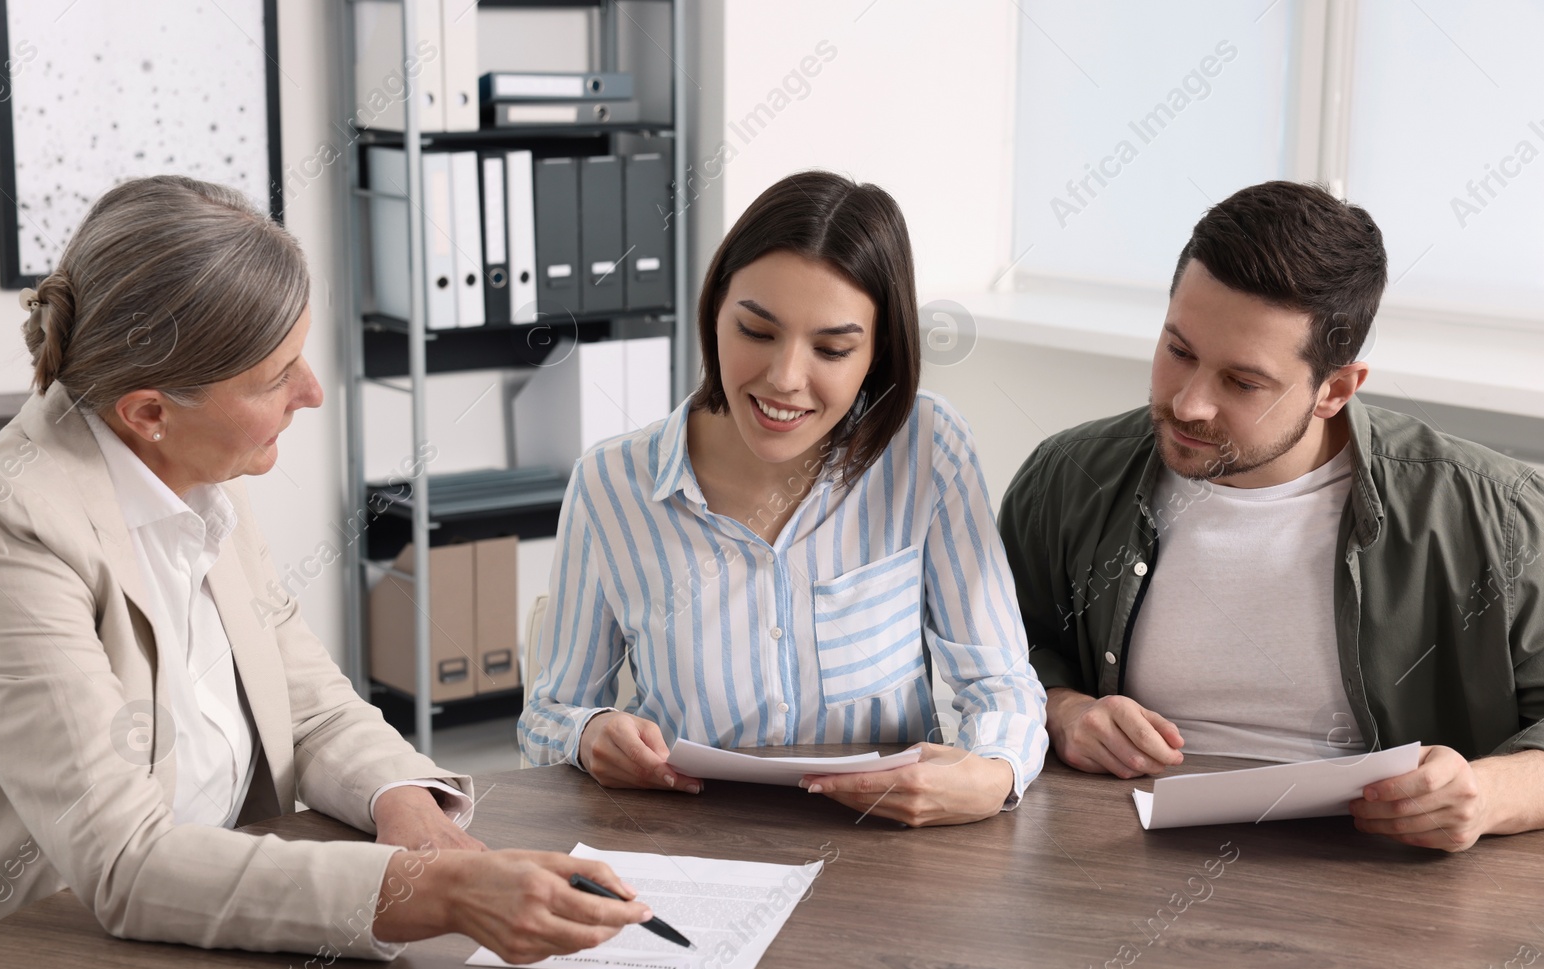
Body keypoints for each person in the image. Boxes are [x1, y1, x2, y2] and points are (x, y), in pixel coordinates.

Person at [0, 176, 648, 961]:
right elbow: (124, 859)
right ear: (148, 412)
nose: (312, 392)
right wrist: (437, 893)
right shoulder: (2, 532)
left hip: (207, 939)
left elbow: (306, 702)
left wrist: (402, 797)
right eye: (277, 377)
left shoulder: (198, 474)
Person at [999, 180, 1544, 853]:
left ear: (1335, 390)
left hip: (1384, 889)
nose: (1190, 403)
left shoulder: (1499, 513)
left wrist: (1489, 794)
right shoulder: (1067, 479)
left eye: (1242, 381)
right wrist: (1061, 708)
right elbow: (994, 649)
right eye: (1179, 351)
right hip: (1112, 858)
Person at [519, 171, 1048, 826]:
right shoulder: (609, 485)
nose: (785, 379)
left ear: (878, 354)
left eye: (831, 348)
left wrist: (992, 773)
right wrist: (587, 733)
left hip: (889, 853)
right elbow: (547, 715)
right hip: (695, 850)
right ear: (715, 311)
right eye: (757, 332)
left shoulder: (928, 449)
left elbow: (1001, 683)